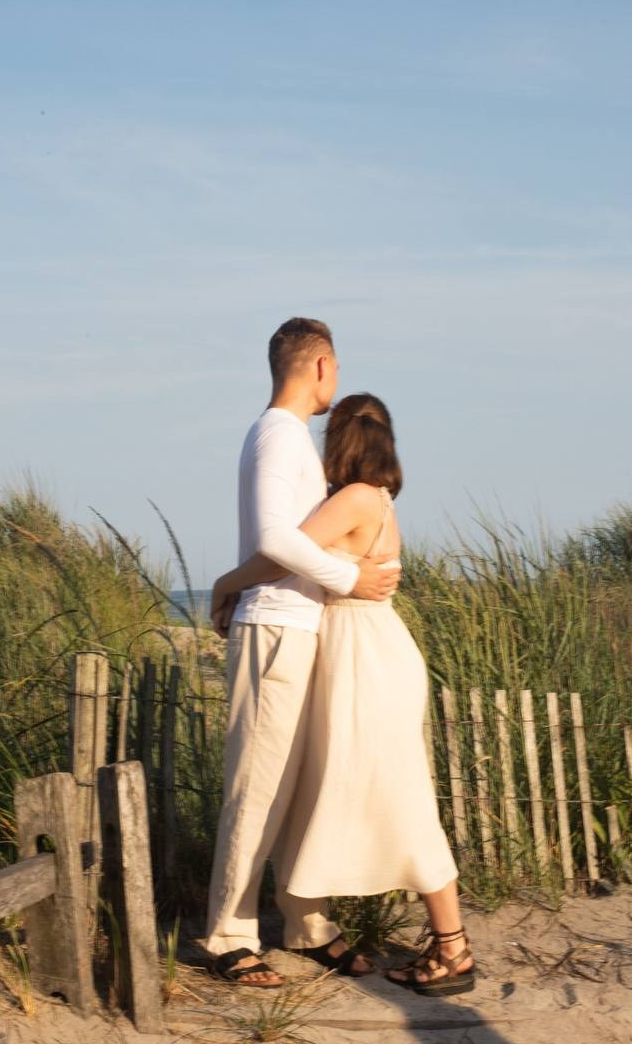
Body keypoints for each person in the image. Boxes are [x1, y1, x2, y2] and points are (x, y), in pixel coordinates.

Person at [211, 393, 475, 997]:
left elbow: (280, 554)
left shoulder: (355, 499)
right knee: (335, 790)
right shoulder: (374, 499)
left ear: (344, 443)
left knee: (401, 796)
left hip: (365, 658)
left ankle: (453, 944)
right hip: (361, 650)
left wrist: (225, 583)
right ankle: (314, 920)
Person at [203, 320, 401, 988]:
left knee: (297, 789)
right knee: (257, 789)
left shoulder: (285, 440)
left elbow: (278, 544)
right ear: (320, 365)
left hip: (297, 624)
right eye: (336, 370)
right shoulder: (278, 435)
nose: (335, 384)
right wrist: (351, 579)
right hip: (276, 629)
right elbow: (275, 537)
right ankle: (228, 935)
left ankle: (304, 922)